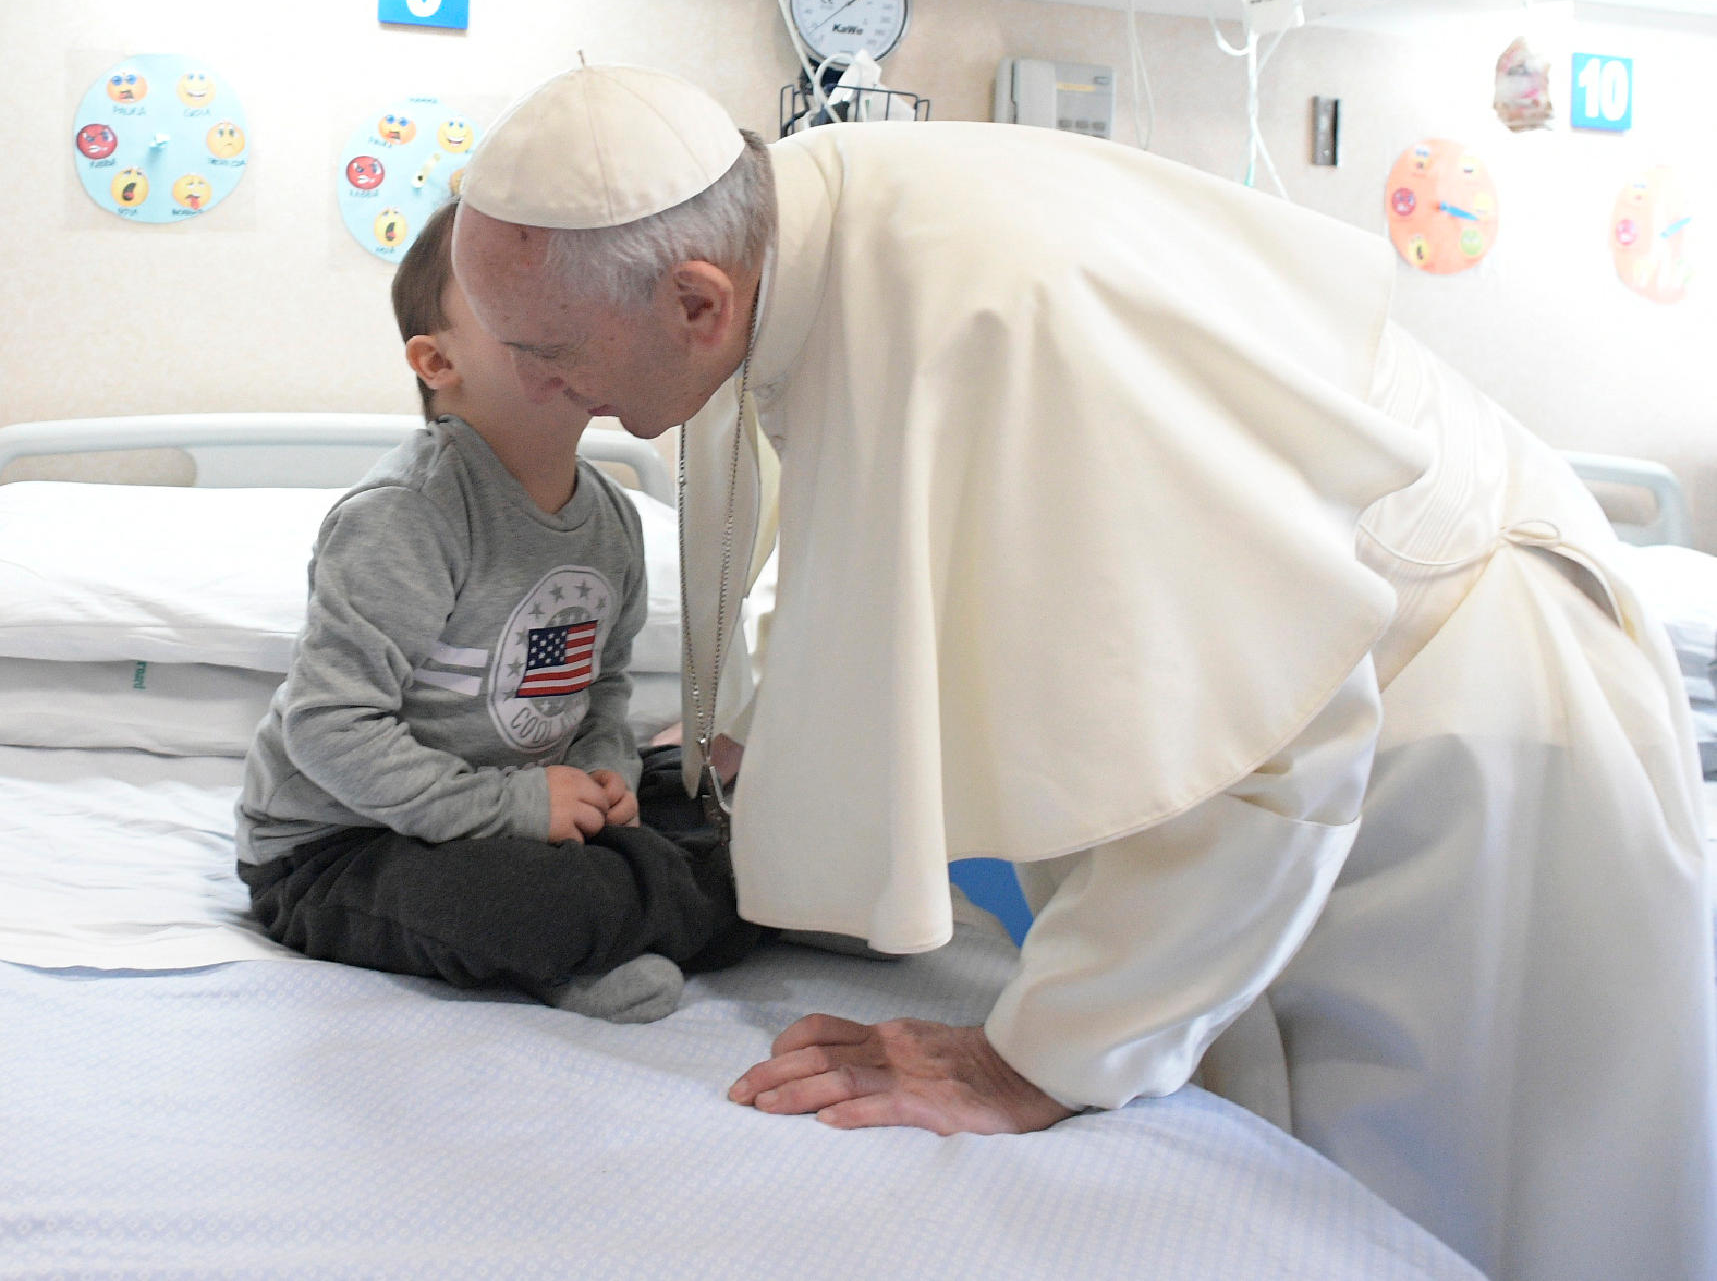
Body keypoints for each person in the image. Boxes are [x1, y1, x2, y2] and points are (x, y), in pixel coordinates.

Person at [451, 64, 1716, 1281]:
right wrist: (768, 728)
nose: (536, 387)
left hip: (1457, 726)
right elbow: (872, 512)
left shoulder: (1004, 316)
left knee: (1441, 1206)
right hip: (1353, 712)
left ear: (697, 304)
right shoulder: (805, 236)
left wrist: (1034, 1058)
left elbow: (1269, 731)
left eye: (548, 352)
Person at [235, 199, 750, 1022]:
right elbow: (329, 729)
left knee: (736, 794)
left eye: (578, 299)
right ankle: (699, 908)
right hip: (347, 842)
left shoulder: (613, 519)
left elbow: (601, 691)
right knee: (536, 902)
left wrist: (607, 774)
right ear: (437, 360)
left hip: (528, 807)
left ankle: (700, 891)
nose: (562, 322)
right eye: (517, 307)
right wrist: (517, 806)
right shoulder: (406, 515)